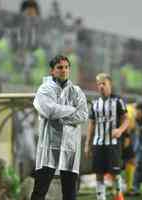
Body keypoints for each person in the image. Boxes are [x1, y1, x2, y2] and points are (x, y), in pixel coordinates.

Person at [30, 55, 88, 200]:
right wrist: (71, 110)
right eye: (59, 67)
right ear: (52, 71)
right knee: (39, 190)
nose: (64, 70)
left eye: (66, 67)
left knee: (69, 193)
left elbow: (83, 115)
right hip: (49, 146)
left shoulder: (77, 91)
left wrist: (59, 115)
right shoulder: (44, 90)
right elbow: (49, 111)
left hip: (70, 147)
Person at [84, 73, 129, 200]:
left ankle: (118, 195)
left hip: (113, 143)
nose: (101, 86)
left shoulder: (118, 101)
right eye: (99, 84)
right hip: (98, 143)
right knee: (99, 173)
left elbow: (126, 120)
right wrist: (87, 144)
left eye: (104, 83)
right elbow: (91, 125)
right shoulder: (95, 103)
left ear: (110, 85)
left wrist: (120, 130)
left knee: (115, 173)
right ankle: (101, 197)